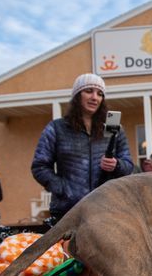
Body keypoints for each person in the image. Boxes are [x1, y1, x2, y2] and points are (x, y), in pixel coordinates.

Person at [31, 73, 133, 221]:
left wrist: (116, 165)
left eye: (99, 94)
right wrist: (64, 189)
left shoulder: (114, 128)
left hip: (105, 209)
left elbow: (128, 165)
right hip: (67, 212)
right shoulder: (57, 128)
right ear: (77, 95)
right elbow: (39, 167)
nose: (94, 97)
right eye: (88, 91)